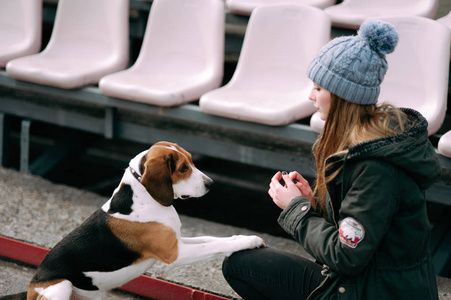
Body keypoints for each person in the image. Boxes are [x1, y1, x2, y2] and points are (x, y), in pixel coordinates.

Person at [222, 20, 441, 300]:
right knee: (243, 262)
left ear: (342, 97)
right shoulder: (370, 143)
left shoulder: (375, 166)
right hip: (373, 282)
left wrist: (296, 209)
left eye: (319, 89)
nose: (310, 95)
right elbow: (365, 226)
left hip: (375, 292)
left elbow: (347, 256)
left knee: (241, 266)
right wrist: (313, 204)